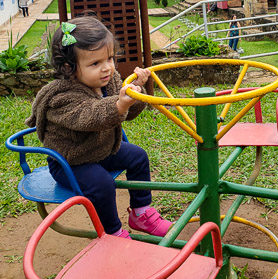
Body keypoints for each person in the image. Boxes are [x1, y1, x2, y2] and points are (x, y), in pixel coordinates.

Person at [26, 15, 172, 240]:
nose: (107, 68)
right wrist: (119, 103)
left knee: (138, 156)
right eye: (95, 63)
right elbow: (90, 116)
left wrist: (135, 92)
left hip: (100, 149)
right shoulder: (61, 97)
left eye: (110, 58)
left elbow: (127, 114)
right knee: (103, 184)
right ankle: (112, 232)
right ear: (69, 68)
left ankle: (141, 212)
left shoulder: (110, 79)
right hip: (71, 162)